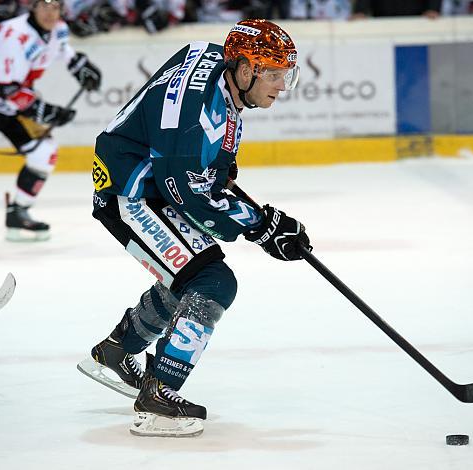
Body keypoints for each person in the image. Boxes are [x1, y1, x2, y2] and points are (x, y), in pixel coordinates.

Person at [77, 19, 311, 437]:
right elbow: (184, 189)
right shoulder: (197, 114)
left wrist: (245, 204)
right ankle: (158, 394)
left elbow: (202, 170)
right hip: (131, 193)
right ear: (244, 69)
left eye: (284, 73)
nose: (281, 84)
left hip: (146, 176)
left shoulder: (209, 58)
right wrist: (260, 227)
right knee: (212, 281)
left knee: (190, 272)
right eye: (273, 73)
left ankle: (117, 350)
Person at [0, 0, 101, 241]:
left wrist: (80, 66)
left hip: (14, 110)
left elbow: (63, 50)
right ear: (32, 7)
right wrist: (45, 111)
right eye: (44, 5)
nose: (50, 13)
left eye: (56, 7)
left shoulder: (57, 28)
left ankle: (18, 213)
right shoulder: (13, 34)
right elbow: (7, 89)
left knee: (44, 152)